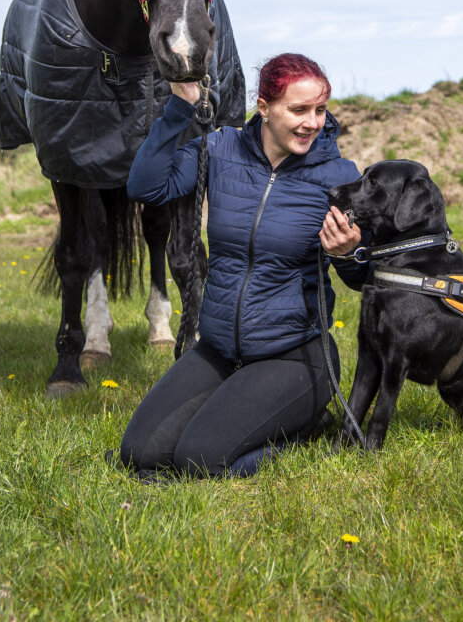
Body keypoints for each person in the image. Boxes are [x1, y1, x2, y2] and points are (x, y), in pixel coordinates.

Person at [118, 53, 368, 480]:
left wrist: (348, 254)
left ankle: (302, 429)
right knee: (137, 453)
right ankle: (246, 415)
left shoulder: (339, 177)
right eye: (299, 109)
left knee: (199, 460)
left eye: (320, 110)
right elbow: (146, 185)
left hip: (293, 356)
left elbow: (363, 279)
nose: (313, 123)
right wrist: (181, 106)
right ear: (264, 107)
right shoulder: (219, 149)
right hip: (218, 349)